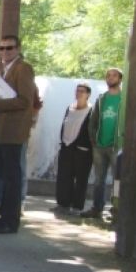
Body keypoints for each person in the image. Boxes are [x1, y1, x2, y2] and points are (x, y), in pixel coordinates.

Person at [0, 35, 36, 234]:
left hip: (14, 132)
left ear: (18, 48)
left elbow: (25, 100)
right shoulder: (6, 70)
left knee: (12, 177)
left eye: (9, 48)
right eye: (1, 48)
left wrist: (0, 103)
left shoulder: (23, 68)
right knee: (5, 176)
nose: (5, 52)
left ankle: (11, 220)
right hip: (4, 131)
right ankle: (4, 216)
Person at [81, 68, 124, 219]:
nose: (110, 78)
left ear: (120, 79)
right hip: (99, 146)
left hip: (116, 146)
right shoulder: (101, 99)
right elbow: (93, 121)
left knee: (117, 180)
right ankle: (96, 208)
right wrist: (93, 139)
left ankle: (117, 211)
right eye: (108, 75)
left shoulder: (125, 99)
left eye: (114, 75)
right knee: (99, 179)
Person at [52, 83, 93, 215]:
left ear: (88, 95)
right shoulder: (69, 108)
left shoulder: (91, 110)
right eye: (77, 91)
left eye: (82, 91)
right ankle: (63, 204)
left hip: (82, 149)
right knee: (64, 176)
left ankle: (77, 206)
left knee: (81, 178)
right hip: (66, 146)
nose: (79, 93)